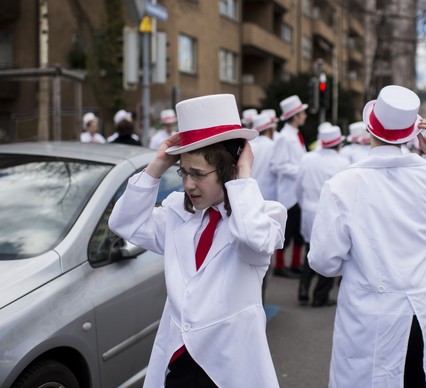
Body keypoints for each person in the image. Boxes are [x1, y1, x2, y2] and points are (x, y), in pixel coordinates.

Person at [308, 85, 426, 387]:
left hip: (370, 312)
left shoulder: (342, 184)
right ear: (412, 134)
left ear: (369, 130)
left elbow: (324, 262)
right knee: (421, 379)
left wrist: (358, 263)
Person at [108, 93, 286, 388]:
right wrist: (158, 164)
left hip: (228, 369)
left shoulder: (265, 216)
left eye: (199, 174)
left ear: (229, 170)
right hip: (178, 361)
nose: (189, 184)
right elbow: (123, 222)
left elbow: (252, 239)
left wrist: (243, 174)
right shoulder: (178, 213)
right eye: (184, 172)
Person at [296, 124, 349, 307]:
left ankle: (303, 289)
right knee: (329, 252)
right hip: (329, 214)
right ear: (338, 143)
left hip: (308, 210)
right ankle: (320, 296)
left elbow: (298, 186)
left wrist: (303, 205)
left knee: (309, 250)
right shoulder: (342, 163)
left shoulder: (307, 158)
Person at [270, 95, 309, 278]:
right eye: (302, 113)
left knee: (298, 231)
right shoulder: (284, 137)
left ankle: (294, 264)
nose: (305, 116)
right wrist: (301, 170)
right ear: (295, 116)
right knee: (287, 232)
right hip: (288, 192)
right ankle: (279, 266)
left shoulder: (294, 135)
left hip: (298, 190)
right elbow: (277, 165)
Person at [249, 112, 277, 201]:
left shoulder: (249, 145)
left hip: (252, 192)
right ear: (270, 130)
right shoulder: (273, 146)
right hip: (269, 194)